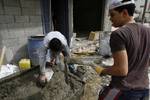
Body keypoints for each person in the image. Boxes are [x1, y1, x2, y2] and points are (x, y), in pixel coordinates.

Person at [95, 0, 150, 99]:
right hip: (144, 89)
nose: (110, 19)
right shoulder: (147, 31)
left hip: (124, 91)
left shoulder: (119, 34)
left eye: (112, 15)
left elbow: (121, 70)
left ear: (124, 13)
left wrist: (103, 70)